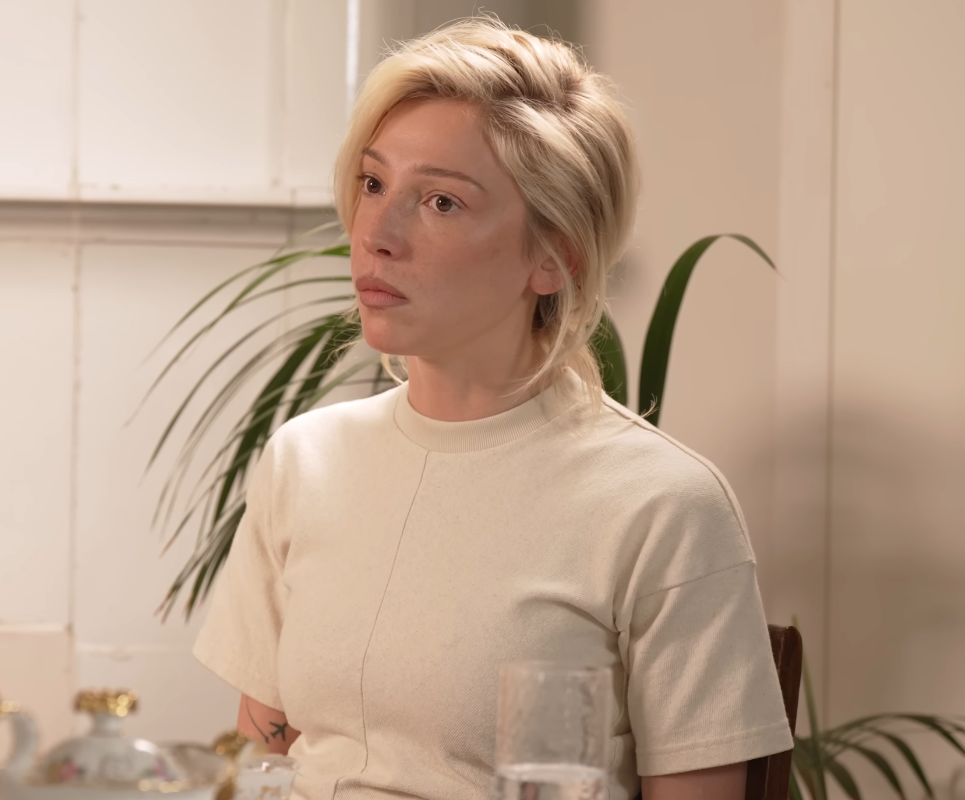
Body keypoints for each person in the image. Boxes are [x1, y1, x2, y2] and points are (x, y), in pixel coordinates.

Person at [193, 16, 792, 800]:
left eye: (441, 201)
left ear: (554, 258)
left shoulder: (663, 506)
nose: (377, 233)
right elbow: (261, 763)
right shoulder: (306, 459)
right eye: (373, 184)